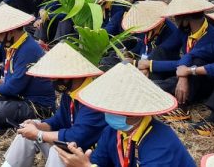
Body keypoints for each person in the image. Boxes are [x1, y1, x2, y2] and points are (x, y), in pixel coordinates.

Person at [56, 62, 195, 167]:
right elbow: (98, 161)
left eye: (114, 107)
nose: (107, 111)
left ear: (136, 112)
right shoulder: (113, 132)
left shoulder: (161, 142)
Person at [2, 43, 106, 167]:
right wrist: (37, 126)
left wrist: (38, 134)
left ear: (67, 76)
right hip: (73, 147)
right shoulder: (70, 93)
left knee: (58, 152)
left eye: (53, 77)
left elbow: (77, 136)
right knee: (26, 134)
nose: (51, 80)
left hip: (87, 159)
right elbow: (58, 120)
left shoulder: (94, 97)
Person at [0, 5, 55, 141]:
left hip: (37, 105)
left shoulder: (29, 49)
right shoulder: (12, 44)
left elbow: (13, 87)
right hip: (19, 97)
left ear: (12, 31)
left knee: (1, 110)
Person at [145, 0, 214, 110]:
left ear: (185, 18)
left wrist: (151, 64)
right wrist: (146, 65)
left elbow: (191, 64)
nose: (175, 20)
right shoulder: (184, 31)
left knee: (194, 66)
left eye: (176, 17)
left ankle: (152, 89)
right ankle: (154, 88)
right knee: (159, 53)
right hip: (183, 71)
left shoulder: (211, 36)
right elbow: (164, 48)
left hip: (201, 80)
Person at [121, 1, 183, 92]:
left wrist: (137, 64)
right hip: (143, 63)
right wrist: (130, 54)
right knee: (117, 61)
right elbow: (142, 46)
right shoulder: (147, 27)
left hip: (160, 67)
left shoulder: (170, 31)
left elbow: (160, 55)